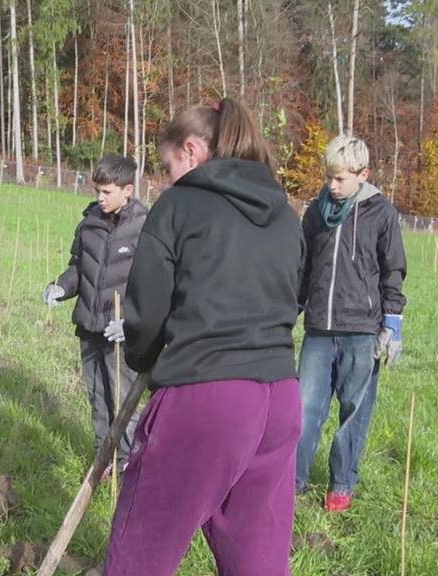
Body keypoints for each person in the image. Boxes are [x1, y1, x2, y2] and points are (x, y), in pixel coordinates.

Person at [104, 99, 303, 576]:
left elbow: (147, 312)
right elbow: (293, 297)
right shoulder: (285, 214)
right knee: (255, 557)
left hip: (206, 398)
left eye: (167, 165)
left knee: (143, 548)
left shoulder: (180, 204)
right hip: (280, 399)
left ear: (191, 151)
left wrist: (144, 354)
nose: (164, 179)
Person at [295, 135, 407, 512]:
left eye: (340, 178)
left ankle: (341, 483)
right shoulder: (315, 213)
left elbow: (393, 270)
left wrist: (392, 323)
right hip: (319, 331)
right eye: (329, 177)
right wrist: (288, 311)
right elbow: (303, 268)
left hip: (362, 331)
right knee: (305, 409)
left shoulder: (381, 213)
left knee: (354, 412)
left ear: (363, 174)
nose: (332, 185)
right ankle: (293, 481)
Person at [42, 154, 148, 475]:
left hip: (121, 333)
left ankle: (132, 462)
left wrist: (132, 322)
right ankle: (106, 459)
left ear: (127, 189)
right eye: (97, 191)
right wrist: (61, 286)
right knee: (98, 398)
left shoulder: (146, 227)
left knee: (124, 401)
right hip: (89, 326)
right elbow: (79, 267)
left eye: (107, 192)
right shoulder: (89, 221)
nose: (99, 198)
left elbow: (153, 284)